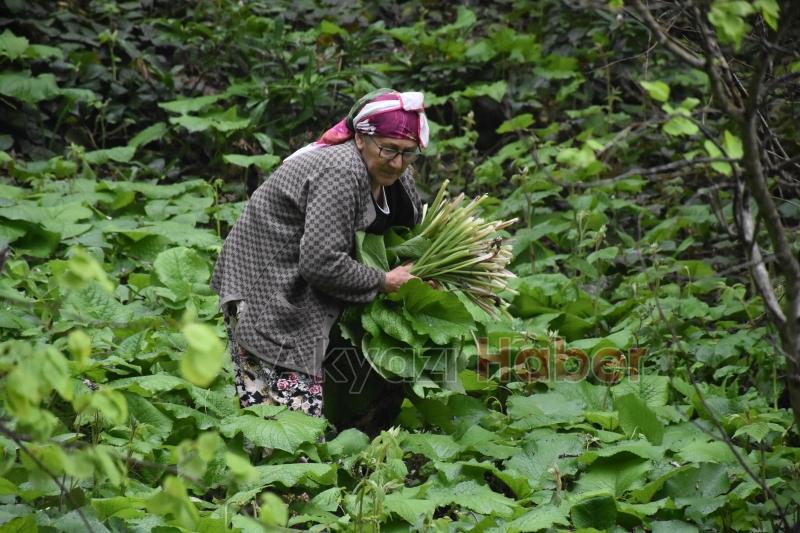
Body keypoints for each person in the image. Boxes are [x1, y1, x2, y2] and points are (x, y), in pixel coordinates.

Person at [211, 88, 429, 425]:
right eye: (388, 150)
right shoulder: (340, 172)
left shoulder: (392, 173)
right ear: (360, 139)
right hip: (267, 287)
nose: (398, 163)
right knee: (286, 418)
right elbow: (321, 262)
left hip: (307, 287)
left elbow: (409, 226)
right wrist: (385, 281)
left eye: (408, 153)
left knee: (308, 406)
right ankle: (274, 470)